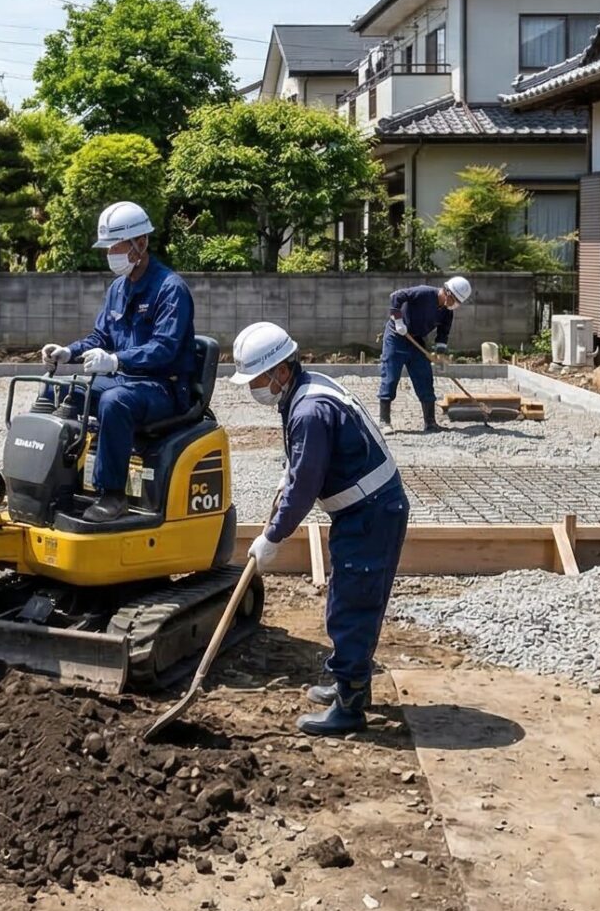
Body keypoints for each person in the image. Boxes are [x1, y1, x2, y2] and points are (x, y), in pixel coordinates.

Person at [232, 320, 409, 735]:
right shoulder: (304, 389)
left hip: (371, 513)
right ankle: (351, 684)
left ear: (280, 371)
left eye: (256, 378)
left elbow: (304, 489)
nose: (253, 388)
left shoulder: (309, 409)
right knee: (351, 596)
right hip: (365, 510)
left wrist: (272, 536)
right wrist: (288, 473)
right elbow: (302, 466)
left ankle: (349, 707)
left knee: (352, 603)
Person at [41, 200, 195, 524]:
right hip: (127, 382)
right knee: (60, 393)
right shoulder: (117, 289)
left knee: (114, 402)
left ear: (142, 242)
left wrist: (114, 360)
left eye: (116, 245)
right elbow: (101, 338)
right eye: (108, 246)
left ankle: (112, 496)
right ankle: (54, 486)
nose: (110, 252)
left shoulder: (170, 289)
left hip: (163, 389)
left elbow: (164, 349)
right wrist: (68, 353)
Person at [380, 276, 473, 432]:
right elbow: (396, 296)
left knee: (424, 377)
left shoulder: (446, 312)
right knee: (390, 377)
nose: (455, 305)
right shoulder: (424, 293)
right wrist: (398, 320)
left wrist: (440, 356)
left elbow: (443, 335)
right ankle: (385, 421)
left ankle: (430, 422)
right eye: (455, 300)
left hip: (416, 340)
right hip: (396, 336)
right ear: (448, 293)